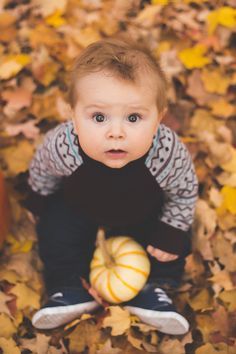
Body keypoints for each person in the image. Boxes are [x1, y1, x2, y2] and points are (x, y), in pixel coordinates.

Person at [24, 37, 198, 334]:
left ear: (158, 118)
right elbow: (43, 167)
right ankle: (67, 286)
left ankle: (155, 290)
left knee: (173, 240)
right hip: (79, 205)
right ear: (73, 115)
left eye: (133, 117)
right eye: (99, 117)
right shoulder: (64, 144)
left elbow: (183, 190)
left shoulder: (165, 152)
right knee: (55, 229)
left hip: (142, 210)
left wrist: (170, 230)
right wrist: (39, 199)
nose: (115, 132)